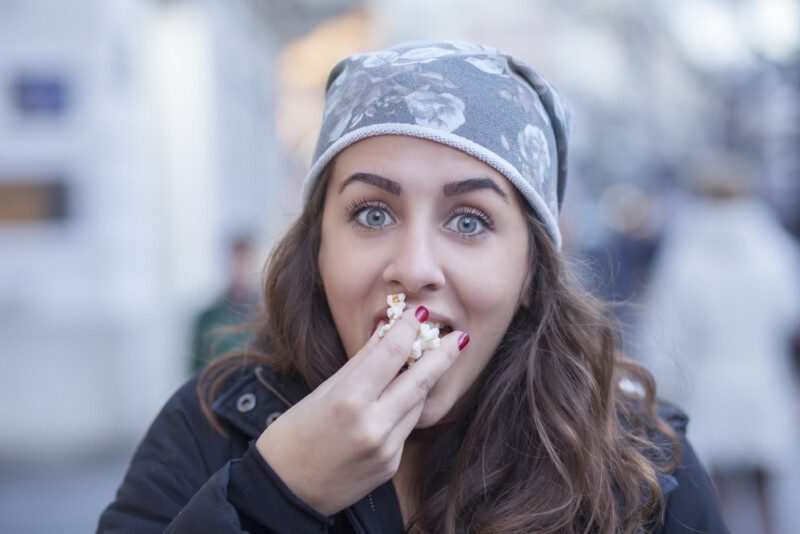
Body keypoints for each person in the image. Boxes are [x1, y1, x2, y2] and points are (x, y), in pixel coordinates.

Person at [98, 41, 728, 533]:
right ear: (318, 245)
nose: (415, 266)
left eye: (469, 221)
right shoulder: (209, 427)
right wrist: (275, 494)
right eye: (373, 213)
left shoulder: (642, 469)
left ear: (532, 274)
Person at [636, 156, 800, 534]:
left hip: (709, 383)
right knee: (766, 489)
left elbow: (666, 328)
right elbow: (790, 313)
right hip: (763, 379)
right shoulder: (774, 249)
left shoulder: (685, 252)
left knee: (713, 490)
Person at [189, 237, 259, 373]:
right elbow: (194, 371)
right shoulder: (207, 319)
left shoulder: (269, 317)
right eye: (236, 262)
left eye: (245, 262)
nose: (240, 270)